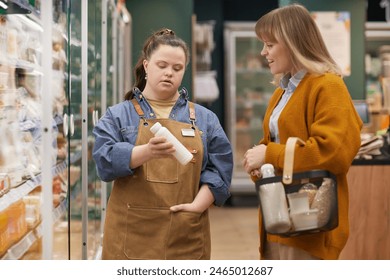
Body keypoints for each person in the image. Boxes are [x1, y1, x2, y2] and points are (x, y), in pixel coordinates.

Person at [92, 28, 233, 260]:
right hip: (131, 233)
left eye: (177, 68)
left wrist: (197, 206)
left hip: (185, 230)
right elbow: (104, 163)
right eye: (162, 65)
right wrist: (146, 152)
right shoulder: (118, 116)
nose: (169, 73)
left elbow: (220, 171)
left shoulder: (205, 119)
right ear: (147, 66)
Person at [242, 4, 363, 260]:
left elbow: (334, 153)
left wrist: (269, 155)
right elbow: (273, 144)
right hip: (279, 221)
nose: (263, 52)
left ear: (292, 42)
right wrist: (258, 162)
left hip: (310, 228)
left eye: (270, 44)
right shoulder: (282, 92)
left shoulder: (328, 86)